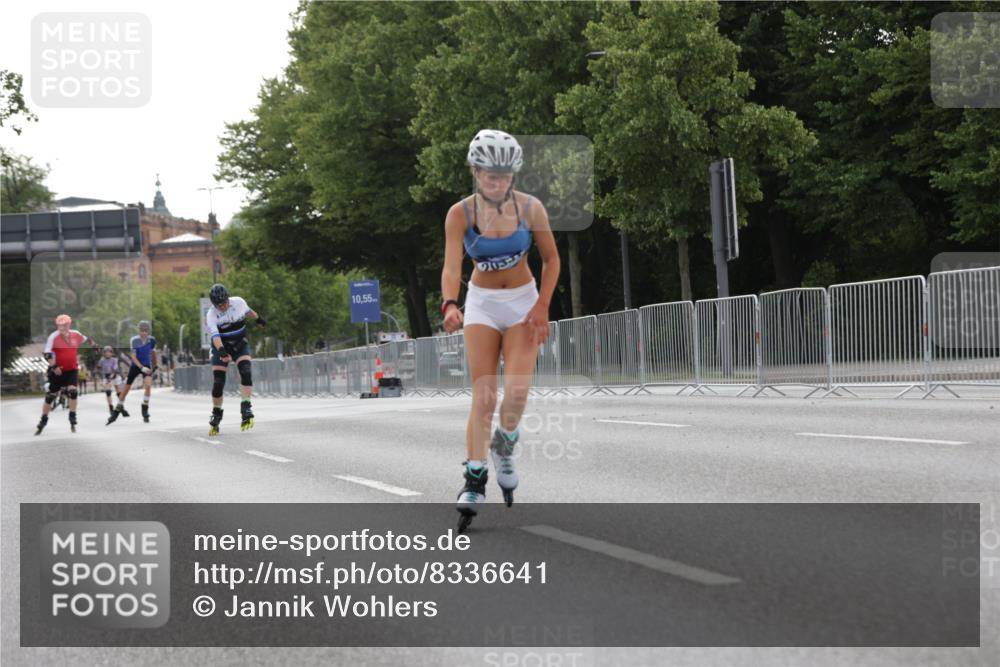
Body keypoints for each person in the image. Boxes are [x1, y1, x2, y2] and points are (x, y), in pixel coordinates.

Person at [441, 129, 560, 531]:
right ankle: (474, 478)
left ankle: (503, 446)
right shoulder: (460, 214)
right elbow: (452, 266)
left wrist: (542, 306)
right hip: (483, 304)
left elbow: (552, 260)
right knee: (485, 393)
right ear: (475, 171)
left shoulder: (531, 209)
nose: (497, 182)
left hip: (524, 301)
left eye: (505, 175)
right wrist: (449, 303)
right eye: (490, 174)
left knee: (519, 389)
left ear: (514, 175)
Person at [204, 283, 266, 435]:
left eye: (224, 303)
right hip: (221, 347)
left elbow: (249, 312)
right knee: (218, 382)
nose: (223, 307)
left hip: (239, 344)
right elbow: (216, 337)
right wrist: (223, 352)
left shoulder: (238, 302)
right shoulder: (211, 314)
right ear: (213, 305)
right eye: (219, 305)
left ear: (228, 299)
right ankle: (217, 413)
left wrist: (259, 320)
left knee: (246, 371)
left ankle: (246, 406)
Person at [35, 314, 100, 435]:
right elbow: (47, 354)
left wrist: (95, 345)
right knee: (50, 396)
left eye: (64, 325)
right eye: (59, 326)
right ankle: (43, 419)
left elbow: (88, 338)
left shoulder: (76, 334)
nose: (62, 328)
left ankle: (72, 415)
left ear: (69, 325)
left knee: (73, 392)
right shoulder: (53, 337)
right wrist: (54, 366)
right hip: (58, 370)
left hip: (71, 369)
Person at [107, 320, 158, 424]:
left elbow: (153, 353)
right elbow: (133, 357)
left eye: (145, 331)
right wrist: (141, 367)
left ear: (148, 331)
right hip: (136, 366)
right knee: (126, 389)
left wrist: (155, 366)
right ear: (138, 330)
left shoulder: (152, 340)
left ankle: (145, 408)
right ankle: (117, 410)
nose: (143, 333)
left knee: (148, 385)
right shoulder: (134, 340)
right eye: (141, 330)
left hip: (146, 365)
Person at [97, 345, 127, 417]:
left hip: (115, 375)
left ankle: (121, 407)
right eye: (106, 352)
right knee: (108, 391)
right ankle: (111, 408)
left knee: (119, 392)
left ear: (111, 353)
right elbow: (98, 369)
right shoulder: (102, 360)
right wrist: (101, 378)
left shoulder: (114, 360)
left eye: (109, 352)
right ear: (104, 353)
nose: (107, 354)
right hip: (106, 376)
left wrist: (112, 376)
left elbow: (115, 369)